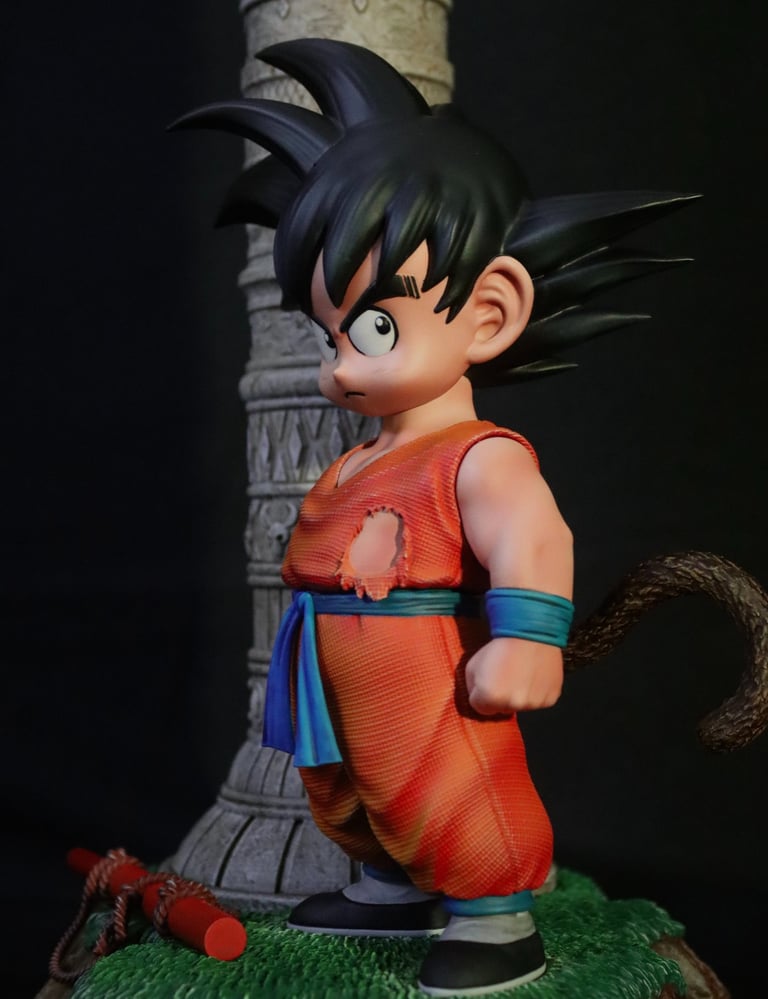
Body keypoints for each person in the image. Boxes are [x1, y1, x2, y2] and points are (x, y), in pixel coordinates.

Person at [171, 38, 691, 996]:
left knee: (445, 785)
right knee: (350, 791)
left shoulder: (478, 455)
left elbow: (534, 536)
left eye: (373, 327)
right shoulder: (367, 453)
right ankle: (388, 886)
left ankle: (495, 916)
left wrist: (527, 637)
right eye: (331, 332)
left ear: (489, 312)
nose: (340, 363)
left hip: (421, 671)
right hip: (333, 666)